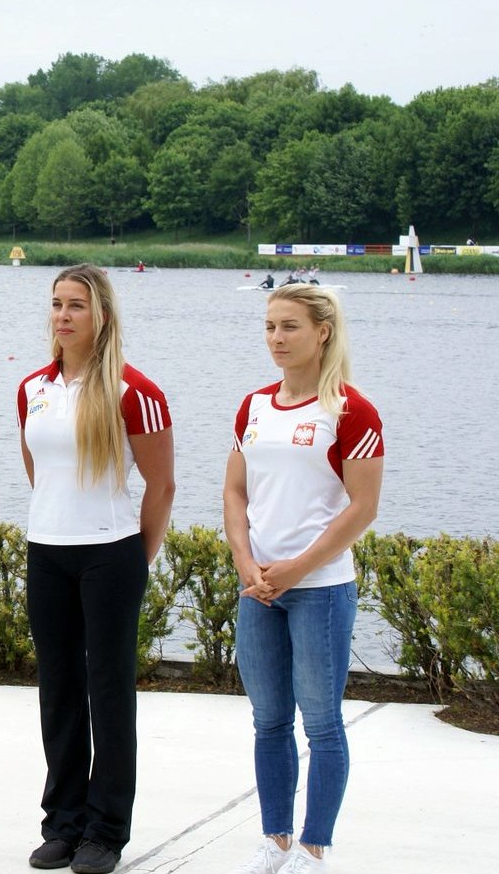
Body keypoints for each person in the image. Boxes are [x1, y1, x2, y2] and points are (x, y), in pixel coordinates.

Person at [16, 265, 175, 874]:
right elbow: (40, 471)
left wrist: (138, 557)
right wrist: (55, 523)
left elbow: (161, 485)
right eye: (56, 304)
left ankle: (106, 830)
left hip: (111, 554)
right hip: (46, 550)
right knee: (58, 690)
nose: (63, 315)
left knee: (108, 693)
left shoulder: (136, 391)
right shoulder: (33, 386)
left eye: (76, 305)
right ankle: (63, 821)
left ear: (101, 315)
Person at [222, 285, 383, 874]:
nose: (277, 339)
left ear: (322, 332)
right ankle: (276, 841)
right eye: (269, 326)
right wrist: (246, 560)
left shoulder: (351, 411)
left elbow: (362, 508)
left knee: (321, 722)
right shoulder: (254, 406)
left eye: (289, 327)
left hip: (320, 591)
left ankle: (315, 848)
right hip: (258, 591)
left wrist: (295, 570)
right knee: (268, 721)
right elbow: (236, 491)